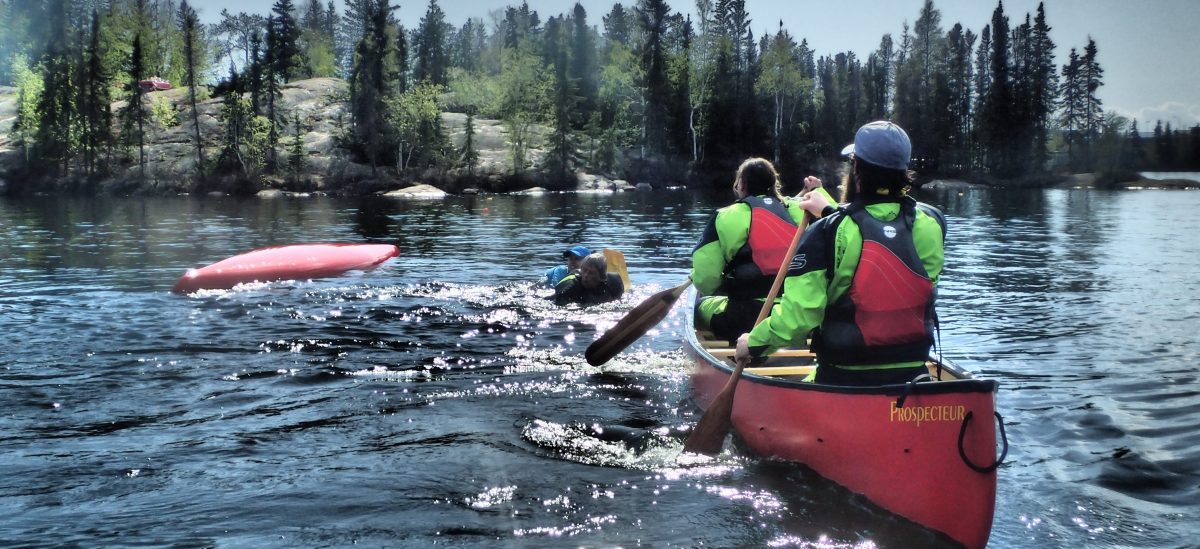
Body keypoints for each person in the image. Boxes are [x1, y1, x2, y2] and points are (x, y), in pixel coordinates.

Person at [735, 121, 947, 386]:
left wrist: (752, 343)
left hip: (844, 377)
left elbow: (799, 317)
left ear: (857, 169)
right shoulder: (932, 224)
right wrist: (829, 211)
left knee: (808, 375)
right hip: (913, 375)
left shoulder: (828, 232)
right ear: (903, 171)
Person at [691, 157, 829, 342]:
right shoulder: (802, 210)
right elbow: (836, 216)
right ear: (774, 184)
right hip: (795, 316)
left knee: (700, 305)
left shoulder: (724, 217)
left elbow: (706, 282)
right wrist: (819, 191)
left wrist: (722, 283)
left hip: (744, 318)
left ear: (741, 185)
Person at [554, 252, 624, 305]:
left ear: (601, 277)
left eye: (591, 273)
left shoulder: (613, 284)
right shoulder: (570, 286)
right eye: (584, 270)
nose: (586, 275)